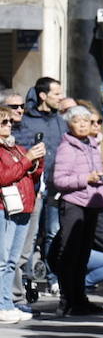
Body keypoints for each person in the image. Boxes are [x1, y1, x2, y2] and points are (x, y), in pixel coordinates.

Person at [52, 105, 103, 316]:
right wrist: (85, 179)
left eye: (86, 120)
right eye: (77, 121)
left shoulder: (93, 144)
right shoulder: (67, 147)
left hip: (92, 205)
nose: (83, 124)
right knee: (70, 252)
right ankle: (67, 301)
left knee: (83, 254)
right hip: (74, 204)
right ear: (69, 124)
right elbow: (59, 180)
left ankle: (80, 299)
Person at [15, 77, 65, 297]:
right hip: (32, 188)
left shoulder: (60, 121)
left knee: (54, 233)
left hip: (56, 188)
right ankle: (28, 282)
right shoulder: (24, 121)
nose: (60, 97)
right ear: (43, 96)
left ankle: (54, 279)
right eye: (56, 94)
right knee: (30, 237)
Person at [0, 110, 43, 321]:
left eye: (9, 122)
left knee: (13, 260)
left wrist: (38, 160)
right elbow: (4, 177)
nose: (8, 125)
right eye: (3, 122)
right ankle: (2, 304)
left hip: (23, 206)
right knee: (3, 260)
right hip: (5, 208)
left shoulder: (14, 148)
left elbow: (32, 174)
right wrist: (27, 159)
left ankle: (7, 303)